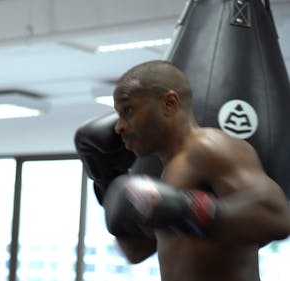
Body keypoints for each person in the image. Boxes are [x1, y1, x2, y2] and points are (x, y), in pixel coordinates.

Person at [76, 60, 290, 281]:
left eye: (128, 110)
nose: (119, 126)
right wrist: (108, 180)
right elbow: (136, 252)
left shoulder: (210, 147)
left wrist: (188, 209)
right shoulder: (169, 171)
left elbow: (278, 217)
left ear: (169, 103)